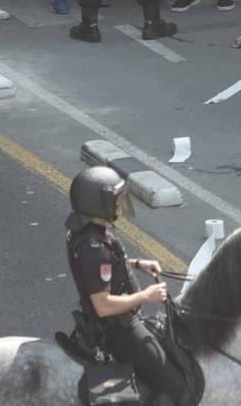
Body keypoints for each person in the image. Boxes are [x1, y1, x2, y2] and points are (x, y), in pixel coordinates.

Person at [64, 165, 187, 406]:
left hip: (114, 321)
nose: (120, 205)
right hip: (119, 329)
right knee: (176, 387)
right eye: (115, 199)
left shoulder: (86, 233)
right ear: (98, 204)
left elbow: (100, 271)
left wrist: (137, 263)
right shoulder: (93, 248)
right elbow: (104, 305)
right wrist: (146, 296)